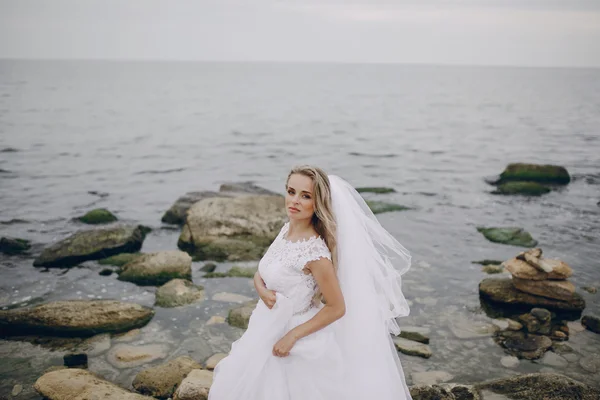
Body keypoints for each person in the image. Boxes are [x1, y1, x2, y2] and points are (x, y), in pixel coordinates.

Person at [208, 165, 412, 400]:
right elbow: (265, 271)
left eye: (305, 196)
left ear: (318, 203)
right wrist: (260, 288)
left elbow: (337, 308)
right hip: (265, 325)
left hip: (296, 336)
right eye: (291, 191)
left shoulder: (316, 254)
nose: (294, 201)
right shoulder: (287, 230)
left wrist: (292, 336)